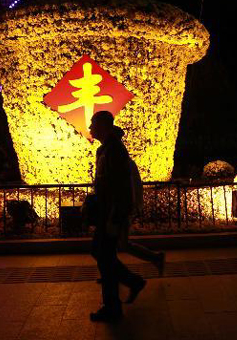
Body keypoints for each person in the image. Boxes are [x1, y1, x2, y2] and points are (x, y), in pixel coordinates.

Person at [87, 111, 146, 323]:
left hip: (111, 213)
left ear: (103, 126)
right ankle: (132, 283)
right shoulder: (105, 149)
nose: (90, 127)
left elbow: (120, 188)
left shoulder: (115, 151)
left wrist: (115, 217)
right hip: (106, 212)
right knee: (102, 254)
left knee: (104, 257)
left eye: (93, 123)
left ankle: (113, 305)